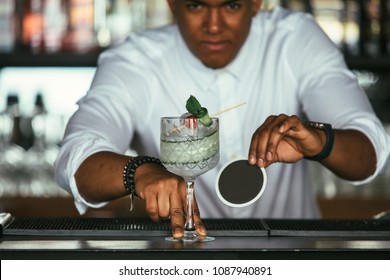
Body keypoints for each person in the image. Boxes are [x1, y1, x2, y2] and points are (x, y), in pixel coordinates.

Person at [54, 0, 390, 239]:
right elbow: (75, 157)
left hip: (291, 259)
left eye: (230, 5)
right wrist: (139, 171)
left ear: (256, 3)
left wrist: (319, 141)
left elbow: (369, 150)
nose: (213, 26)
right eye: (197, 5)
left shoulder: (294, 39)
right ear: (172, 4)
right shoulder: (134, 61)